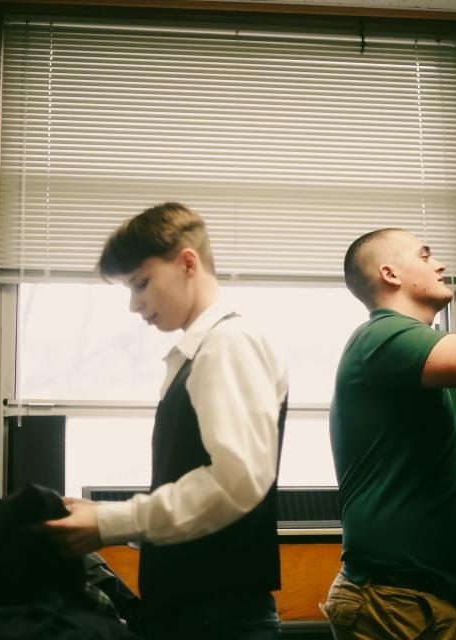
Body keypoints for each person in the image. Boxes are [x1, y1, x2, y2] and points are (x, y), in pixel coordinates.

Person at [39, 202, 289, 640]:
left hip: (218, 619)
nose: (135, 305)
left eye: (141, 283)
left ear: (187, 262)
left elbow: (234, 482)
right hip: (198, 613)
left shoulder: (228, 345)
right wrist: (104, 513)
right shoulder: (201, 351)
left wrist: (110, 523)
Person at [322, 228, 456, 640]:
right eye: (425, 255)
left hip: (419, 598)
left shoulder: (421, 359)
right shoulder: (380, 337)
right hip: (393, 600)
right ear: (390, 273)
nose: (440, 265)